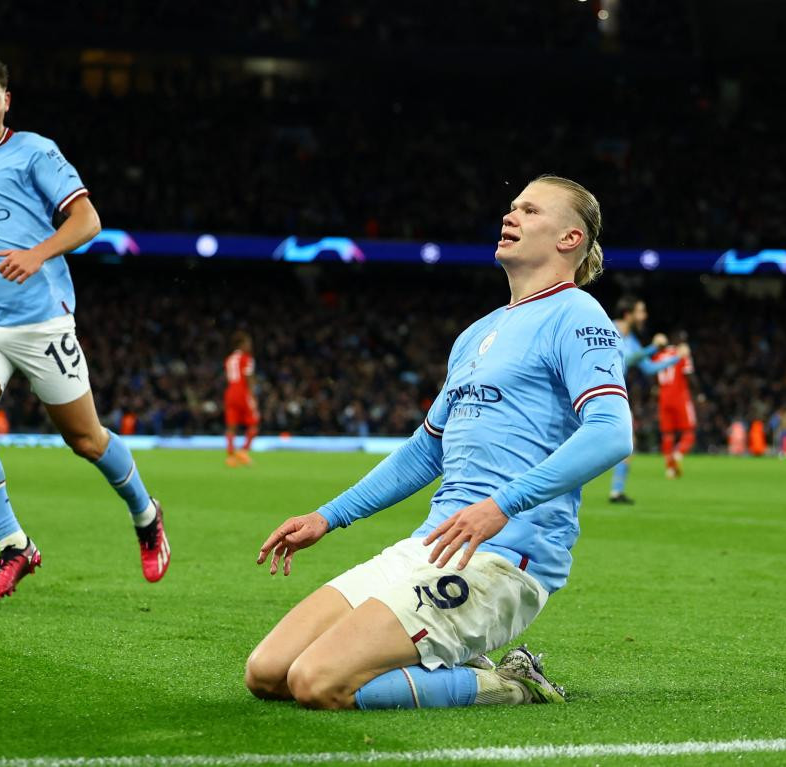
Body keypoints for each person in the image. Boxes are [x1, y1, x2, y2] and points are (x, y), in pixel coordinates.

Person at [245, 174, 632, 710]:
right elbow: (427, 450)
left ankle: (511, 685)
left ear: (570, 238)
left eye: (530, 210)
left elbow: (611, 432)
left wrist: (502, 505)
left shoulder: (577, 315)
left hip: (502, 560)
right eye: (511, 207)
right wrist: (327, 517)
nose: (510, 216)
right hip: (430, 546)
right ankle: (448, 654)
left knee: (317, 683)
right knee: (267, 672)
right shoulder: (476, 334)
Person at [0, 54, 171, 601]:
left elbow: (87, 220)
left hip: (39, 322)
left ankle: (145, 510)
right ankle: (15, 545)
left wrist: (37, 253)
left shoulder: (35, 151)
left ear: (6, 102)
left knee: (86, 440)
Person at [607, 297, 684, 503]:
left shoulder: (631, 340)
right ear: (628, 314)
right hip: (593, 391)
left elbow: (648, 368)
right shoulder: (609, 328)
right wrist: (652, 347)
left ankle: (616, 491)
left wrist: (677, 357)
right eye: (641, 311)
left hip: (613, 394)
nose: (645, 316)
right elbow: (627, 359)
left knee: (628, 443)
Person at [651, 341, 695, 477]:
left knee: (667, 434)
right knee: (689, 433)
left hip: (664, 398)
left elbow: (654, 375)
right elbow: (689, 375)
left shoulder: (658, 355)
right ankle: (677, 455)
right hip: (680, 397)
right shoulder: (682, 353)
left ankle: (670, 469)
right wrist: (699, 393)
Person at [224, 331, 259, 467]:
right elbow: (248, 376)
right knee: (254, 423)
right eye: (248, 343)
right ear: (242, 344)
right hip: (242, 392)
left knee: (231, 425)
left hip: (230, 392)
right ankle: (244, 451)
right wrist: (253, 395)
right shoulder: (247, 358)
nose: (250, 346)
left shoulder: (229, 359)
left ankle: (231, 456)